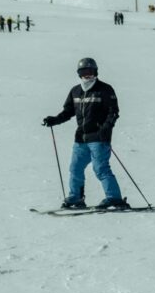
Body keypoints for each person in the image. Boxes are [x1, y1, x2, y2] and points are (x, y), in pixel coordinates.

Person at [41, 57, 127, 210]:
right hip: (80, 138)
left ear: (96, 72)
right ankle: (76, 197)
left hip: (99, 137)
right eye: (84, 72)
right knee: (75, 168)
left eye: (90, 72)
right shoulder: (75, 91)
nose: (87, 75)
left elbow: (113, 112)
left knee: (100, 169)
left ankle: (114, 198)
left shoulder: (105, 89)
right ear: (79, 74)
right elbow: (68, 112)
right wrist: (54, 120)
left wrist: (106, 127)